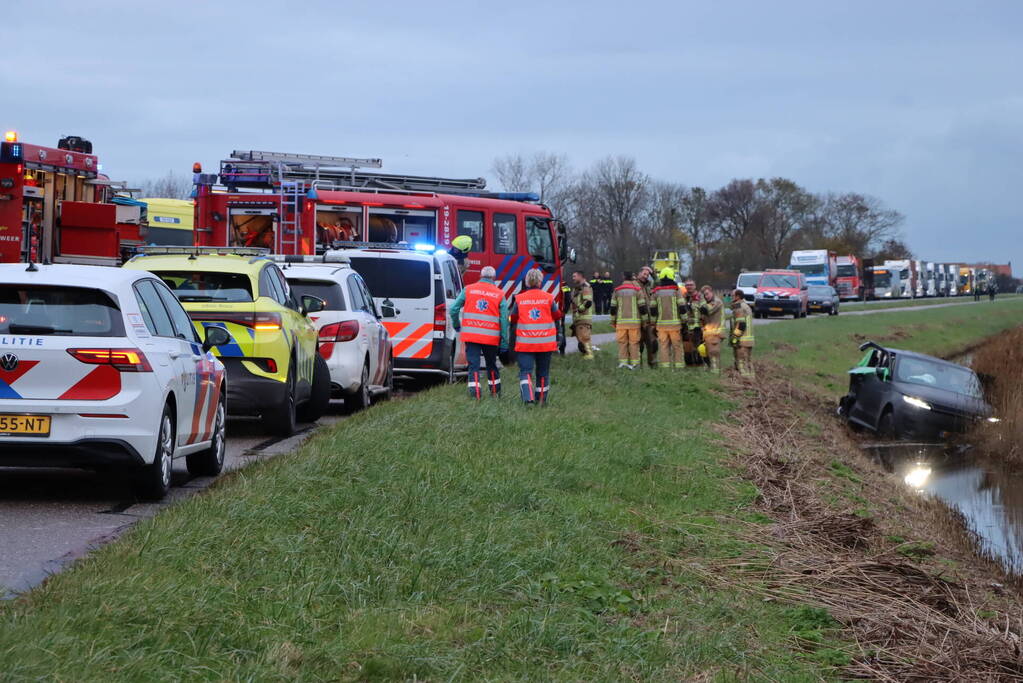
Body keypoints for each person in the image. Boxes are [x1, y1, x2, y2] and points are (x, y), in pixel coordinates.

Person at [450, 266, 509, 399]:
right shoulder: (499, 294)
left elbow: (453, 309)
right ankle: (495, 393)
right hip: (491, 337)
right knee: (491, 364)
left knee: (474, 366)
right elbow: (504, 320)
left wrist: (457, 325)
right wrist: (504, 341)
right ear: (494, 278)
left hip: (471, 335)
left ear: (480, 276)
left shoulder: (468, 290)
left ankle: (475, 395)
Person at [511, 268, 560, 404]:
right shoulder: (549, 298)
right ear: (540, 281)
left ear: (527, 281)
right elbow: (557, 316)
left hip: (525, 343)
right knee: (543, 373)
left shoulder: (519, 299)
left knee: (525, 372)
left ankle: (528, 398)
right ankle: (542, 401)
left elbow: (513, 319)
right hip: (545, 343)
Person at [649, 268, 685, 369]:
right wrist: (684, 321)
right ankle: (679, 368)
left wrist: (653, 323)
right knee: (677, 347)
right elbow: (682, 307)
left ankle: (665, 369)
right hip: (675, 326)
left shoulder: (656, 292)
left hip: (661, 326)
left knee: (663, 347)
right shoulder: (676, 290)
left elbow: (652, 309)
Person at [610, 271, 644, 369]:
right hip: (635, 323)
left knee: (622, 343)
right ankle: (635, 364)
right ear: (632, 278)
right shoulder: (637, 290)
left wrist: (613, 321)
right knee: (634, 343)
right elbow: (642, 307)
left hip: (621, 323)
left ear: (623, 277)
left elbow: (612, 308)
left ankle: (623, 363)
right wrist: (645, 321)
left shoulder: (617, 290)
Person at [729, 288, 755, 378]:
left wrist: (735, 339)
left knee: (741, 365)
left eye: (732, 296)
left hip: (741, 341)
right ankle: (753, 382)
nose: (730, 298)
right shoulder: (746, 306)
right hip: (748, 341)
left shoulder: (738, 307)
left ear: (738, 296)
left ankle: (745, 382)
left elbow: (741, 325)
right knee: (748, 363)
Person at [698, 285, 724, 374]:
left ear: (711, 292)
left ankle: (715, 374)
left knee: (714, 354)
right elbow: (701, 317)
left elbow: (706, 310)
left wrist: (699, 302)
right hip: (708, 334)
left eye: (707, 294)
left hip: (715, 333)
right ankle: (711, 371)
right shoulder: (707, 303)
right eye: (704, 295)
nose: (706, 296)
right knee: (704, 352)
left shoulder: (717, 302)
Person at [569, 270, 595, 359]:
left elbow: (588, 302)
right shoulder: (576, 288)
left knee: (585, 338)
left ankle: (589, 355)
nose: (573, 278)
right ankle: (585, 355)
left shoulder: (586, 287)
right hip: (577, 319)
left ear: (580, 276)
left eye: (574, 276)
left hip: (584, 319)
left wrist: (579, 310)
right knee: (580, 340)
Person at [636, 266, 657, 368]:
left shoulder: (650, 285)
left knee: (652, 344)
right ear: (638, 274)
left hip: (649, 321)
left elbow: (659, 283)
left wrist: (653, 274)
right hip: (638, 321)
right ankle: (638, 367)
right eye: (644, 274)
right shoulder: (634, 285)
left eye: (647, 275)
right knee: (638, 345)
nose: (645, 276)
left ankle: (653, 365)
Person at [681, 279, 701, 366]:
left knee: (698, 347)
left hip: (698, 327)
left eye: (691, 285)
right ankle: (689, 366)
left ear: (695, 286)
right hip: (685, 327)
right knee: (686, 348)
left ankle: (699, 364)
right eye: (687, 285)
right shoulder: (682, 297)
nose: (689, 286)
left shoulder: (700, 296)